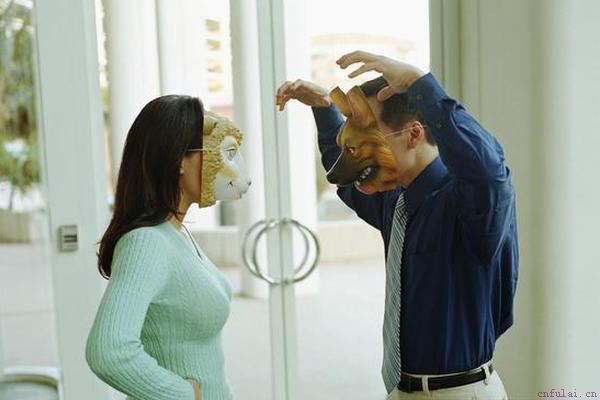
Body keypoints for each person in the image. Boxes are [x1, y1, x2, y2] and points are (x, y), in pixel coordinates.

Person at [276, 51, 516, 400]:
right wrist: (325, 109)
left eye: (369, 132)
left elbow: (489, 171)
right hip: (402, 390)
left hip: (459, 392)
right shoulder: (396, 201)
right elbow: (348, 177)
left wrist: (421, 86)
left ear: (414, 134)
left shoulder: (469, 205)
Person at [86, 95, 251, 400]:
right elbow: (108, 351)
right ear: (178, 161)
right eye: (219, 152)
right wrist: (184, 395)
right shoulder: (146, 243)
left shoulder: (177, 233)